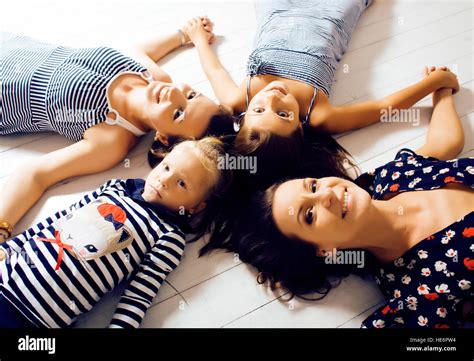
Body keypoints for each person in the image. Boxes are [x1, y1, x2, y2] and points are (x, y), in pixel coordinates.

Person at [202, 67, 473, 328]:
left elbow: (446, 143)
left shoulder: (388, 178)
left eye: (313, 186)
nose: (327, 195)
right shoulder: (419, 294)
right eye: (309, 215)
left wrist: (442, 91)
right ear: (324, 250)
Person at [0, 16, 234, 240]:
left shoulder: (113, 139)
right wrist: (183, 35)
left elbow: (37, 175)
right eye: (191, 94)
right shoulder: (155, 76)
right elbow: (138, 51)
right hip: (13, 44)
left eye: (178, 113)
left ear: (163, 138)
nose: (173, 92)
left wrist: (2, 227)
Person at [184, 0, 460, 190]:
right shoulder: (318, 114)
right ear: (299, 129)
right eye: (283, 114)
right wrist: (435, 83)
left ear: (243, 118)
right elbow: (383, 108)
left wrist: (198, 39)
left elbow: (215, 70)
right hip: (330, 15)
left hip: (279, 11)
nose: (272, 98)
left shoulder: (238, 99)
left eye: (258, 111)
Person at [0, 137, 233, 328]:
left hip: (36, 317)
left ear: (196, 207)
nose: (164, 180)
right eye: (167, 167)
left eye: (182, 183)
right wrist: (9, 246)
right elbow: (61, 220)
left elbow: (139, 295)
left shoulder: (167, 235)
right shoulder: (116, 188)